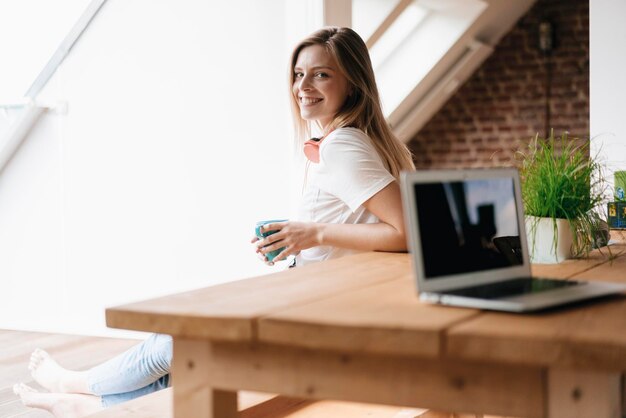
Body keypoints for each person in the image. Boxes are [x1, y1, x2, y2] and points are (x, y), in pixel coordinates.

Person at [13, 26, 414, 417]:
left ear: (352, 84)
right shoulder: (354, 139)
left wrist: (310, 233)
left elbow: (405, 233)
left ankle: (74, 385)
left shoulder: (343, 144)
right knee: (184, 351)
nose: (302, 86)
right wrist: (300, 240)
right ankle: (85, 403)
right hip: (321, 295)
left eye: (321, 74)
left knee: (180, 340)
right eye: (298, 74)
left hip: (318, 308)